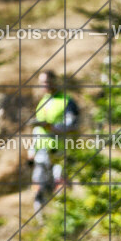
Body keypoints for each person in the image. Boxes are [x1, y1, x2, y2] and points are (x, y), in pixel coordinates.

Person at [30, 70, 80, 212]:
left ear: (54, 81)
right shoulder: (42, 101)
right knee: (38, 187)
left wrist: (51, 127)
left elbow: (73, 125)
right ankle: (41, 221)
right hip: (42, 152)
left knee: (61, 186)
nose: (44, 85)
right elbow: (37, 129)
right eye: (41, 82)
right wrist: (31, 150)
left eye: (46, 81)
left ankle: (63, 218)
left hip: (60, 152)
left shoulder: (67, 101)